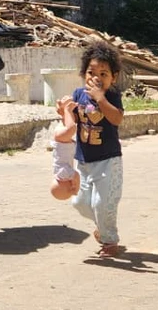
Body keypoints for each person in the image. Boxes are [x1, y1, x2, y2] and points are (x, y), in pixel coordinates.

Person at [69, 42, 125, 258]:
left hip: (108, 161)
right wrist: (64, 110)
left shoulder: (112, 96)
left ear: (113, 78)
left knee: (102, 204)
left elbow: (117, 119)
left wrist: (100, 98)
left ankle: (109, 240)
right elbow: (72, 121)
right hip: (83, 161)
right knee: (80, 203)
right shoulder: (78, 94)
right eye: (91, 72)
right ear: (84, 74)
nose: (96, 78)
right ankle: (103, 227)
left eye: (103, 74)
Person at [49, 97, 81, 200]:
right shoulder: (58, 174)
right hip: (61, 142)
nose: (72, 185)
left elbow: (76, 175)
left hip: (62, 142)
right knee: (68, 123)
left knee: (71, 128)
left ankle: (67, 110)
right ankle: (63, 110)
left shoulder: (64, 175)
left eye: (70, 189)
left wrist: (76, 188)